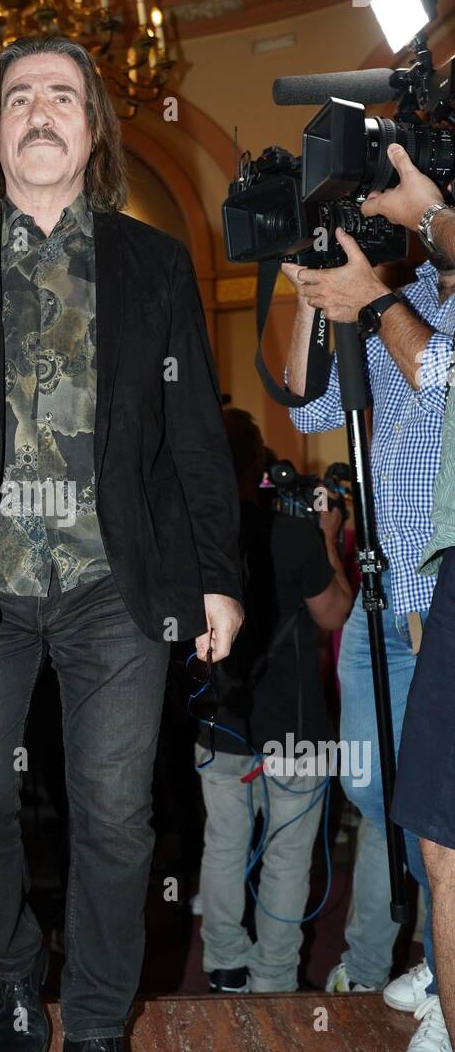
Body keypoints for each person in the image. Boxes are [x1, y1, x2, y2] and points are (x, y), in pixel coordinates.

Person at [0, 34, 243, 1052]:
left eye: (63, 97)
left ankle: (95, 1032)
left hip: (112, 587)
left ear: (93, 129)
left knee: (117, 815)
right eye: (20, 98)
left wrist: (220, 578)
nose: (41, 111)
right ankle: (18, 973)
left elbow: (191, 438)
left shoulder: (152, 263)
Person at [283, 160, 455, 1052]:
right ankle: (442, 944)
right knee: (376, 790)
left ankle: (448, 984)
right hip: (381, 596)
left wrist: (372, 300)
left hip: (442, 595)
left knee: (441, 808)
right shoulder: (404, 290)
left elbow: (442, 378)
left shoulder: (415, 310)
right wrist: (303, 283)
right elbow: (303, 400)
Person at [197, 410, 352, 993]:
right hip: (295, 726)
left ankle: (223, 963)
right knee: (287, 855)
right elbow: (334, 613)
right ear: (259, 466)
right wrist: (329, 543)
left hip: (221, 721)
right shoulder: (291, 536)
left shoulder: (195, 537)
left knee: (224, 847)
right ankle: (273, 975)